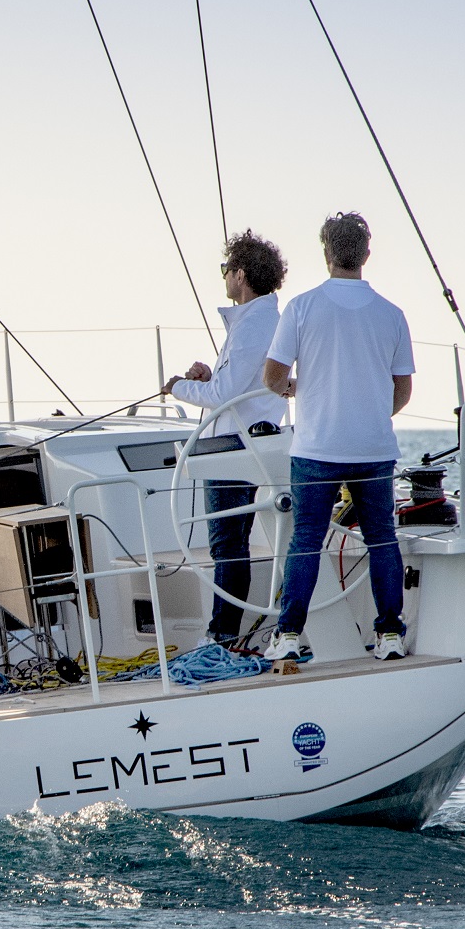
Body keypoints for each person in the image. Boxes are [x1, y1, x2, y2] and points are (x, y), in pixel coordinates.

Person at [260, 211, 414, 663]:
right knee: (381, 539)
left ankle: (289, 635)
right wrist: (368, 415)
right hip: (373, 448)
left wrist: (295, 389)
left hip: (316, 448)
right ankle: (389, 635)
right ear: (366, 254)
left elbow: (272, 377)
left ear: (326, 252)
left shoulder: (301, 308)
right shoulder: (392, 315)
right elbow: (402, 390)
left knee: (306, 540)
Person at [165, 231, 288, 646]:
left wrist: (179, 387)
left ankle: (221, 638)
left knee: (227, 546)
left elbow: (224, 395)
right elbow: (236, 385)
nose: (224, 277)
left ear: (241, 274)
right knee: (232, 544)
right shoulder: (259, 320)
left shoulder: (253, 323)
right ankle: (225, 635)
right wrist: (207, 377)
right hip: (246, 441)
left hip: (234, 447)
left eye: (226, 269)